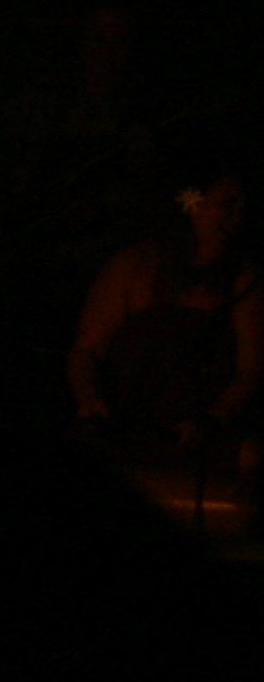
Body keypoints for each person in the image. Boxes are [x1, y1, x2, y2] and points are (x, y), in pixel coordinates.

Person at [69, 169, 261, 488]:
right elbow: (86, 351)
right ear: (193, 204)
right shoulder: (133, 266)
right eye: (228, 204)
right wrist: (89, 399)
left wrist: (211, 419)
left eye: (243, 208)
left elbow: (251, 369)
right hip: (125, 422)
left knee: (253, 455)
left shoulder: (244, 279)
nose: (236, 217)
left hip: (197, 431)